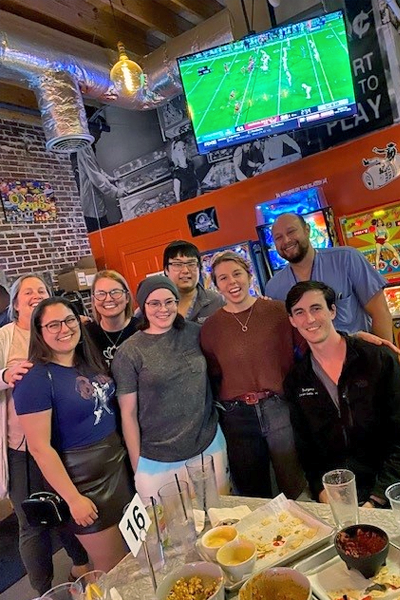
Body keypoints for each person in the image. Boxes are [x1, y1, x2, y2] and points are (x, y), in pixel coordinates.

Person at [13, 297, 134, 572]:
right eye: (52, 324)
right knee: (115, 569)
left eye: (68, 320)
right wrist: (73, 499)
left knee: (132, 555)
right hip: (84, 482)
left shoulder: (86, 361)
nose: (64, 329)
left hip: (117, 468)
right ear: (39, 331)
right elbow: (40, 448)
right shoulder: (35, 379)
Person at [0, 275, 89, 597]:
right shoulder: (5, 337)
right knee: (33, 521)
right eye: (28, 292)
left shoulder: (56, 330)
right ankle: (43, 590)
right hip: (22, 447)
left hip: (63, 442)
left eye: (41, 290)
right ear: (15, 304)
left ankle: (81, 565)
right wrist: (4, 374)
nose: (36, 295)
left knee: (67, 510)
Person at [112, 275, 230, 499]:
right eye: (154, 303)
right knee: (173, 529)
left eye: (169, 301)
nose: (163, 309)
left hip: (208, 445)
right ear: (142, 306)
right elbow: (127, 414)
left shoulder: (195, 333)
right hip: (157, 459)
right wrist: (138, 467)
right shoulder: (129, 352)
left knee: (220, 519)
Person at [284, 280, 400, 507]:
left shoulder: (377, 359)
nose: (309, 319)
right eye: (299, 312)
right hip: (338, 496)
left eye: (316, 308)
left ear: (332, 311)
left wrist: (376, 499)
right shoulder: (296, 380)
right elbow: (307, 449)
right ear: (292, 320)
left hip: (390, 487)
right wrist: (320, 489)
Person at [200, 251, 305, 499]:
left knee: (295, 484)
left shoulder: (278, 312)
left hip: (279, 407)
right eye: (223, 278)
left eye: (237, 274)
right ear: (217, 286)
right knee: (252, 493)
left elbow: (310, 341)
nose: (232, 282)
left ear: (249, 275)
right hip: (237, 416)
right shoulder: (211, 327)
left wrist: (355, 337)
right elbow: (214, 372)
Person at [265, 213, 393, 341]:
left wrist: (385, 357)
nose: (286, 240)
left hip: (361, 354)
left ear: (307, 230)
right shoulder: (274, 288)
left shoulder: (346, 258)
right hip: (315, 359)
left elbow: (380, 312)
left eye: (291, 231)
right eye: (278, 237)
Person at [164, 240, 225, 324]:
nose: (185, 270)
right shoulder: (154, 305)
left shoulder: (216, 301)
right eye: (178, 264)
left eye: (191, 264)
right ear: (166, 270)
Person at [87, 270, 140, 366]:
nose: (108, 299)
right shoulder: (87, 335)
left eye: (115, 292)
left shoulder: (142, 329)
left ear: (127, 297)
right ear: (93, 300)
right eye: (101, 294)